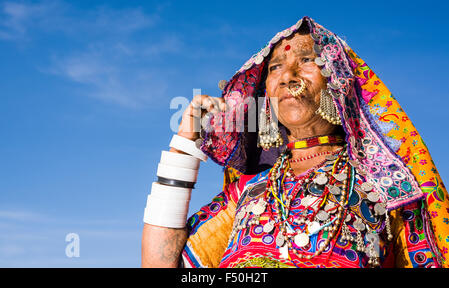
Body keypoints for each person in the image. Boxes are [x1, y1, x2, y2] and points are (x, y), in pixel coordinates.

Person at [141, 16, 449, 268]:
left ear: (338, 79)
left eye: (306, 60)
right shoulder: (248, 191)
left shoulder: (388, 187)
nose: (288, 75)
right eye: (275, 67)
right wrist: (184, 146)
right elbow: (161, 264)